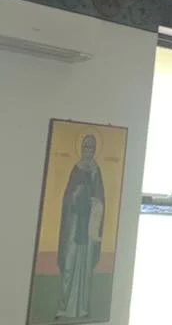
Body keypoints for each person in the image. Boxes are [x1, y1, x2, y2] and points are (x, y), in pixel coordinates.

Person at [55, 134, 105, 319]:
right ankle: (64, 308)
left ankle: (82, 309)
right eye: (85, 146)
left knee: (85, 268)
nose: (88, 150)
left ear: (95, 150)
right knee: (69, 263)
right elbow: (67, 197)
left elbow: (101, 198)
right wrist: (74, 196)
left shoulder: (96, 171)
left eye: (91, 147)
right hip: (74, 224)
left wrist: (95, 202)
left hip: (88, 226)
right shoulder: (75, 169)